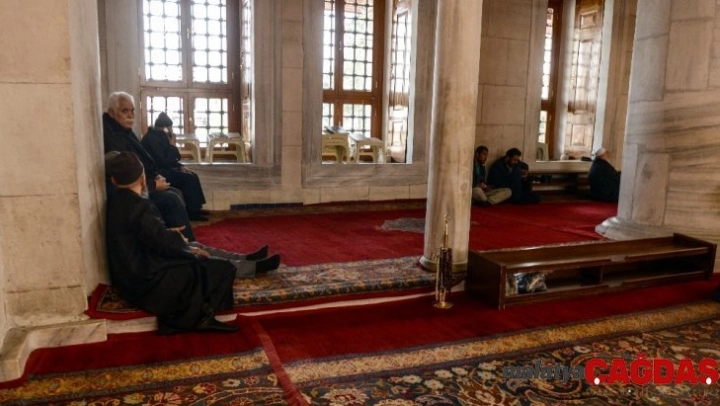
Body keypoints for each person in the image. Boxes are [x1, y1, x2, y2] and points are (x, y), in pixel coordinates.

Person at [105, 152, 281, 335]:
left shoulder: (120, 201)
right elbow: (161, 242)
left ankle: (247, 259)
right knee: (215, 266)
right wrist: (186, 249)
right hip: (146, 280)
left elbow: (150, 237)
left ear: (114, 181)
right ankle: (201, 318)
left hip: (136, 273)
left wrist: (174, 237)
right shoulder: (139, 205)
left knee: (196, 248)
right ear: (143, 179)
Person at [103, 92, 197, 241]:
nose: (131, 115)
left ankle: (183, 240)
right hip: (131, 193)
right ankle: (183, 244)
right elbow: (126, 173)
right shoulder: (115, 138)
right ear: (112, 113)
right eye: (125, 111)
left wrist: (159, 174)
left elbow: (147, 162)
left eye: (132, 110)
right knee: (171, 198)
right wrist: (153, 185)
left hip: (145, 181)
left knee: (175, 191)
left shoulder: (126, 132)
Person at [142, 112, 208, 221]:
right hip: (157, 172)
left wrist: (180, 166)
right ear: (165, 128)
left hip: (163, 168)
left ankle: (196, 208)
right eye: (170, 127)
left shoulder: (160, 136)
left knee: (192, 174)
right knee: (188, 179)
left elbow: (170, 158)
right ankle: (192, 212)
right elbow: (164, 160)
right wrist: (172, 145)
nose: (171, 130)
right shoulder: (152, 138)